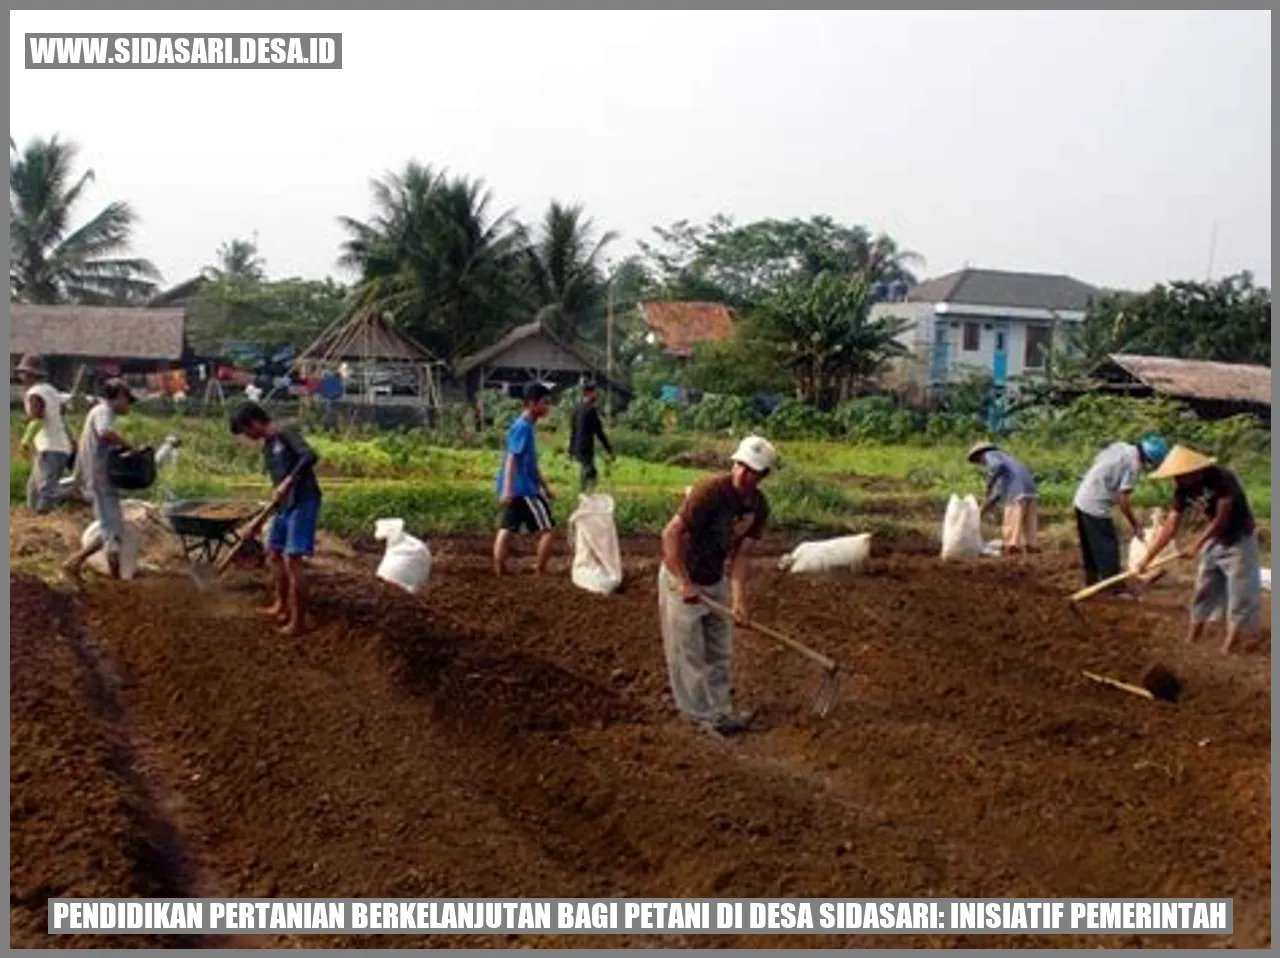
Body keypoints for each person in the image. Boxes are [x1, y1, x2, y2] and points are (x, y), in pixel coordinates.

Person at [659, 434, 777, 737]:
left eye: (753, 470)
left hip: (715, 579)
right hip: (681, 574)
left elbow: (741, 556)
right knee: (688, 653)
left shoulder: (758, 508)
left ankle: (721, 712)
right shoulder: (709, 491)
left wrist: (739, 600)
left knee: (719, 651)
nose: (743, 474)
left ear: (763, 475)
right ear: (735, 463)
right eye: (741, 465)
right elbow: (670, 535)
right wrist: (684, 583)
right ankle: (699, 719)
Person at [1136, 445, 1263, 655]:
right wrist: (1147, 559)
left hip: (1238, 540)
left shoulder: (1221, 478)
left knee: (1240, 597)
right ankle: (1192, 640)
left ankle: (1228, 649)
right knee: (1204, 590)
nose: (1176, 480)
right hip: (1214, 540)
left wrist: (1196, 544)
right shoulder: (1182, 489)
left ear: (1194, 471)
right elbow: (1170, 525)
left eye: (1180, 475)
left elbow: (1220, 520)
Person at [229, 402, 323, 637]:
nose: (247, 437)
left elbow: (310, 456)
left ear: (254, 423)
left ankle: (299, 621)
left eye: (245, 431)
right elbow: (277, 490)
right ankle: (281, 605)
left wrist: (289, 481)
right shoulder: (268, 446)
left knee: (293, 560)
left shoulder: (284, 431)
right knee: (273, 553)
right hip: (284, 505)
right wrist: (259, 522)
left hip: (303, 500)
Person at [1072, 434, 1169, 588]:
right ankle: (1115, 588)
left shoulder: (1121, 446)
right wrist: (1135, 525)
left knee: (1091, 547)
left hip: (1081, 497)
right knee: (1108, 547)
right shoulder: (1133, 464)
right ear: (1149, 459)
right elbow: (1123, 501)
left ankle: (1092, 583)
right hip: (1095, 503)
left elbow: (1099, 461)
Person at [63, 379, 136, 581]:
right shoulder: (104, 411)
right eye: (127, 399)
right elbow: (105, 433)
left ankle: (77, 562)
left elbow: (103, 440)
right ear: (119, 396)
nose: (128, 404)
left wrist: (119, 449)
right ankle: (109, 576)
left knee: (111, 527)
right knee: (112, 530)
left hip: (99, 476)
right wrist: (129, 445)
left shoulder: (99, 411)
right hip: (98, 477)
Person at [493, 383, 556, 576]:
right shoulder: (523, 427)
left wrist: (545, 487)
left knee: (507, 528)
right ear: (532, 404)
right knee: (548, 530)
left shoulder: (523, 425)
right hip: (524, 490)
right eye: (544, 403)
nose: (547, 407)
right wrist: (509, 489)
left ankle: (500, 570)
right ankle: (540, 570)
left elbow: (530, 463)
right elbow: (513, 459)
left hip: (519, 487)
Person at [16, 354, 72, 514]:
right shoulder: (51, 390)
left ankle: (43, 519)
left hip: (50, 447)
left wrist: (25, 441)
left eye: (23, 373)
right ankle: (34, 517)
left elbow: (38, 419)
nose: (21, 376)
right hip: (58, 446)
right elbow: (60, 417)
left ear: (31, 374)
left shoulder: (35, 393)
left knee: (44, 489)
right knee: (34, 489)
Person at [967, 442, 1039, 555]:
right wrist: (983, 508)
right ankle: (1031, 546)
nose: (981, 463)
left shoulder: (990, 454)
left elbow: (996, 467)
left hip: (1016, 489)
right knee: (1029, 522)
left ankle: (1012, 547)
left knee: (1011, 519)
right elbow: (997, 493)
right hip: (1031, 489)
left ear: (979, 454)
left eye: (978, 460)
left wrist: (989, 484)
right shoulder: (1008, 459)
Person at [568, 382, 614, 493]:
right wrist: (609, 449)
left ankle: (584, 493)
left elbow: (573, 431)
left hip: (578, 447)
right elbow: (599, 432)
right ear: (588, 393)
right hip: (586, 446)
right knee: (590, 472)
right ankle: (585, 494)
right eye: (595, 392)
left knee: (587, 470)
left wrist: (570, 448)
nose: (597, 394)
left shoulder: (577, 409)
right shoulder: (591, 410)